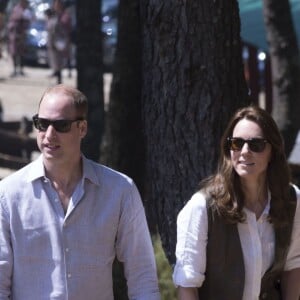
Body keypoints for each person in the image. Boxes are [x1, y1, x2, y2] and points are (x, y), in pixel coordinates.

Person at [0, 84, 160, 300]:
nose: (49, 135)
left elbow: (142, 275)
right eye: (42, 123)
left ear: (82, 128)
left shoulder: (120, 190)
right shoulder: (8, 194)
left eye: (61, 125)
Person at [173, 105, 300, 300]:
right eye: (237, 143)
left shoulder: (292, 200)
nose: (245, 151)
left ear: (272, 151)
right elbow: (187, 285)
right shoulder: (202, 207)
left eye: (256, 145)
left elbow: (292, 266)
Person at [46, 0, 72, 84]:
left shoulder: (65, 16)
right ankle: (57, 75)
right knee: (54, 60)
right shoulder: (52, 15)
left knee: (60, 60)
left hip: (61, 41)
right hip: (52, 41)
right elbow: (48, 26)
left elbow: (66, 27)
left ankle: (60, 79)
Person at [7, 0, 32, 77]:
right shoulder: (16, 9)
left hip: (22, 34)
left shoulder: (27, 10)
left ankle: (21, 70)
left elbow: (28, 21)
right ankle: (15, 70)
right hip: (14, 34)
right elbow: (13, 19)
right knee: (14, 52)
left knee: (21, 53)